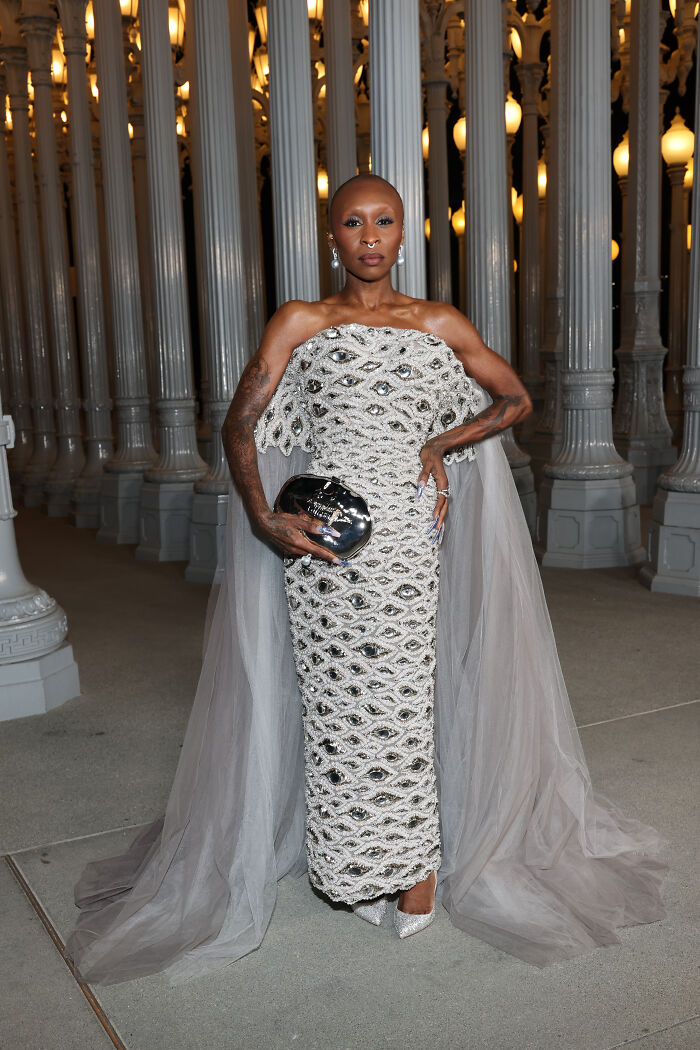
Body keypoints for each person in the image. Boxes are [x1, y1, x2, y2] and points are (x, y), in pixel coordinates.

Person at [66, 175, 666, 986]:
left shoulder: (438, 321)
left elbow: (516, 398)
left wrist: (441, 445)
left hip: (412, 544)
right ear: (332, 236)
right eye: (353, 222)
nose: (370, 236)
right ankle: (347, 863)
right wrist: (261, 515)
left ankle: (412, 866)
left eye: (384, 221)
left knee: (402, 696)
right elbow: (240, 421)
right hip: (327, 544)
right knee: (337, 699)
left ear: (403, 231)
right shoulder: (302, 321)